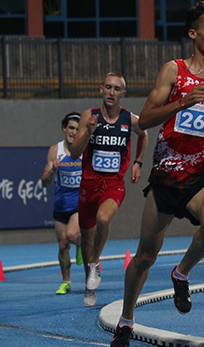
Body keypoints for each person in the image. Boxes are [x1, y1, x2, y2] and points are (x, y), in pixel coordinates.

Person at [111, 0, 204, 347]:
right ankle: (126, 321)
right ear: (193, 33)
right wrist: (182, 102)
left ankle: (182, 272)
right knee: (145, 255)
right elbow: (143, 121)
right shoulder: (173, 71)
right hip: (166, 174)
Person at [72, 73, 148, 307]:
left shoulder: (129, 119)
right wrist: (88, 132)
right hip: (88, 184)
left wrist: (137, 162)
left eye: (117, 89)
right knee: (86, 238)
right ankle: (89, 284)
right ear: (101, 90)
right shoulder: (89, 116)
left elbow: (143, 133)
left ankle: (94, 263)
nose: (112, 92)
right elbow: (74, 153)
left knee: (103, 219)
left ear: (122, 94)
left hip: (114, 185)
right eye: (108, 87)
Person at [41, 112, 84, 295]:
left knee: (72, 235)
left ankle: (84, 245)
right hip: (60, 204)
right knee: (63, 244)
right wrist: (52, 170)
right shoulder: (54, 150)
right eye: (71, 128)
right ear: (64, 128)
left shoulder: (84, 149)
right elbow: (44, 182)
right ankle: (66, 281)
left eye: (77, 128)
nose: (73, 132)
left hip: (79, 202)